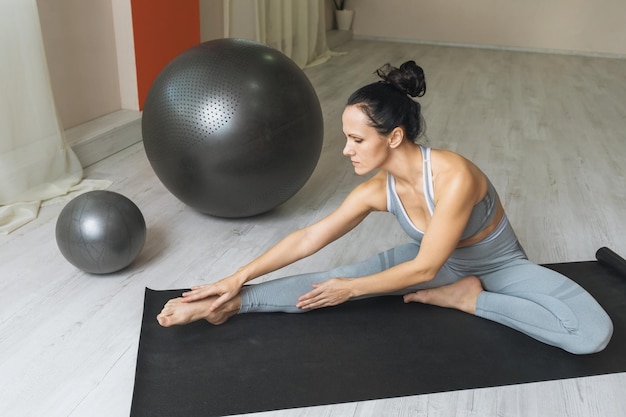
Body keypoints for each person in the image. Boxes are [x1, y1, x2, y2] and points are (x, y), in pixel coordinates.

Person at [157, 61, 613, 354]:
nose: (346, 150)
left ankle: (469, 301)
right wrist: (236, 280)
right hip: (430, 267)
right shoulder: (379, 190)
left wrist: (353, 289)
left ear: (393, 137)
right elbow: (310, 237)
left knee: (590, 334)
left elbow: (425, 266)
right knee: (334, 279)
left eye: (356, 140)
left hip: (498, 266)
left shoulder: (455, 177)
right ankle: (231, 307)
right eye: (346, 139)